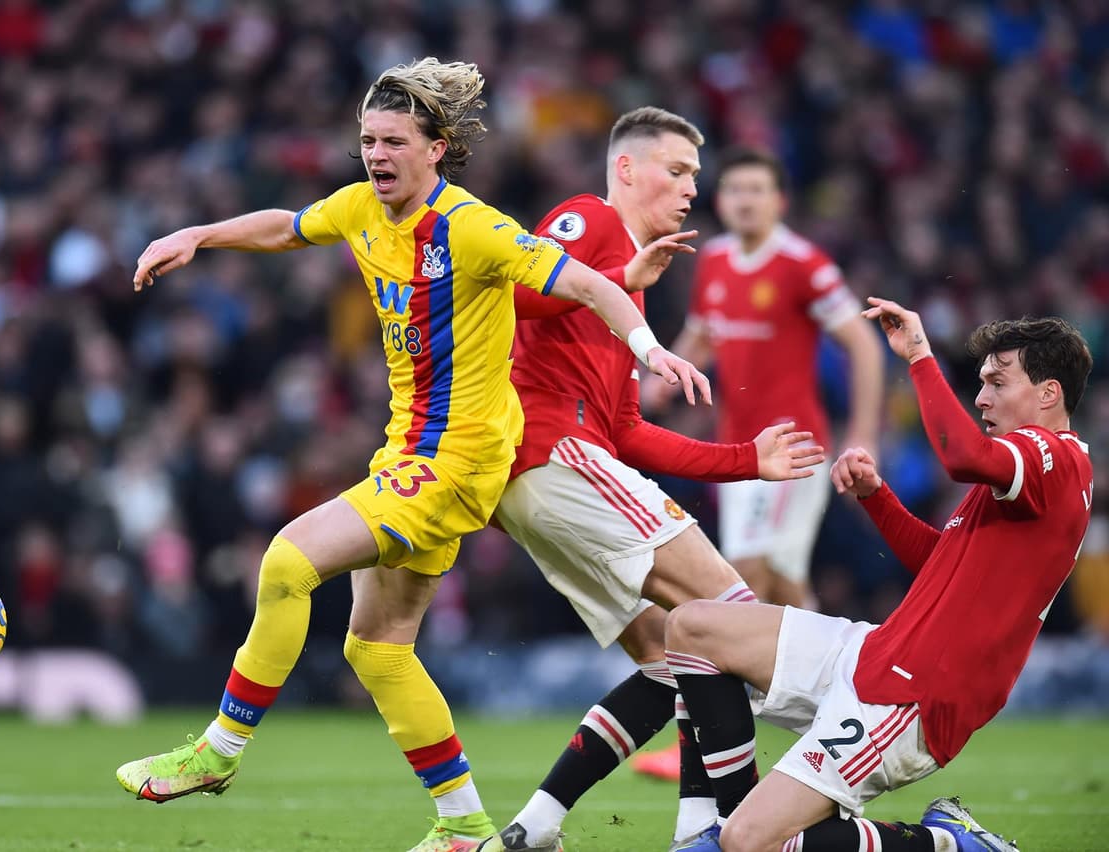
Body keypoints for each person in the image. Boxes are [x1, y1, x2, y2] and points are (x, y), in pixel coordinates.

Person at [112, 58, 704, 852]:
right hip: (409, 451)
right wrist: (198, 235)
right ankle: (463, 825)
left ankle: (218, 751)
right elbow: (288, 226)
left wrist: (644, 344)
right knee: (379, 647)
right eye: (367, 139)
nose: (376, 154)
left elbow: (589, 287)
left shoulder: (475, 227)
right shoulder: (360, 207)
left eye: (393, 141)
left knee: (288, 563)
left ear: (437, 148)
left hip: (458, 463)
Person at [472, 108, 825, 852]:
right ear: (627, 169)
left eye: (695, 174)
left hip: (552, 476)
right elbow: (515, 290)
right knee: (730, 617)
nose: (693, 186)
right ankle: (727, 824)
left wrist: (745, 460)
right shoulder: (588, 219)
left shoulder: (630, 286)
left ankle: (540, 824)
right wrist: (616, 278)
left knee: (681, 658)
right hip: (553, 453)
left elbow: (627, 432)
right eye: (678, 170)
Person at [664, 299, 1092, 852]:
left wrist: (918, 354)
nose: (981, 397)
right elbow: (938, 563)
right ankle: (704, 831)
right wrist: (877, 498)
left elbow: (962, 454)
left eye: (996, 382)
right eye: (981, 383)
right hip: (876, 652)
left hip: (910, 699)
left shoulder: (1051, 455)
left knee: (751, 841)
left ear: (1048, 393)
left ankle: (945, 844)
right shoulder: (1027, 476)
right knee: (693, 628)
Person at [631, 145, 885, 787]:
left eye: (756, 190)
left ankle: (705, 737)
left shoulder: (803, 264)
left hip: (793, 448)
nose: (743, 200)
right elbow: (704, 332)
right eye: (734, 190)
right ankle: (851, 703)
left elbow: (862, 344)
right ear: (722, 201)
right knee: (780, 589)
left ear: (780, 201)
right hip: (741, 455)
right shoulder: (713, 259)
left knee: (741, 582)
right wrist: (665, 372)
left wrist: (862, 434)